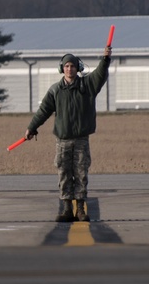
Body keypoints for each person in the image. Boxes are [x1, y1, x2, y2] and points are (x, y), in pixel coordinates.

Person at [24, 43, 112, 222]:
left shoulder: (88, 86)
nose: (69, 69)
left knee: (81, 173)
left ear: (77, 68)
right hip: (62, 140)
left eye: (72, 66)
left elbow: (100, 74)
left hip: (81, 140)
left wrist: (105, 58)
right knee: (63, 173)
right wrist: (32, 127)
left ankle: (80, 208)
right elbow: (44, 111)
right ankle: (66, 208)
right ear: (62, 69)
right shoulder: (56, 90)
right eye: (66, 66)